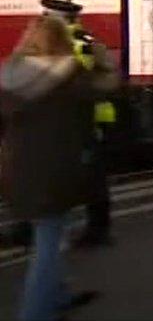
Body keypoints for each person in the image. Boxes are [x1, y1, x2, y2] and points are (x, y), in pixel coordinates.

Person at [1, 17, 114, 320]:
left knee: (48, 234)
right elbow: (108, 85)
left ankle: (59, 294)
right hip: (56, 172)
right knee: (48, 243)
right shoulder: (70, 75)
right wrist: (101, 54)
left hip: (16, 170)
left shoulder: (8, 74)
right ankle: (35, 312)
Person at [40, 0, 119, 248]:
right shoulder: (88, 42)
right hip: (89, 119)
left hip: (73, 121)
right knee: (90, 177)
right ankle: (98, 229)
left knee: (55, 175)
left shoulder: (60, 45)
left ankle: (42, 230)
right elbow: (110, 78)